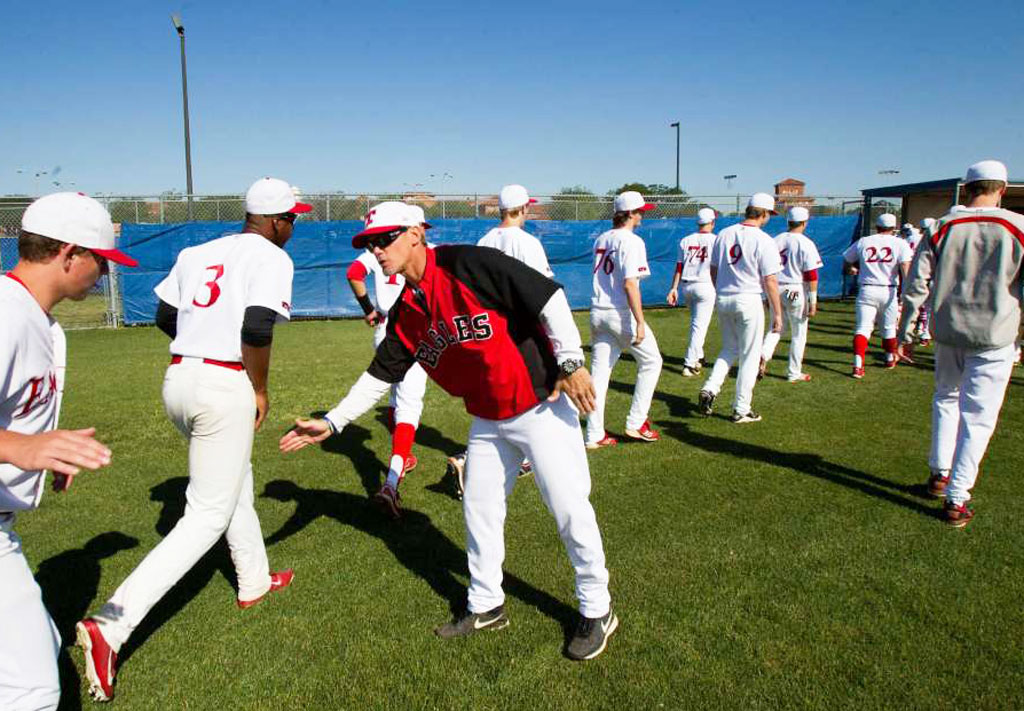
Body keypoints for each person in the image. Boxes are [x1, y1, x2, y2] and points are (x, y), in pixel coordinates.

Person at [279, 201, 617, 661]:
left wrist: (571, 361)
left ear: (416, 233)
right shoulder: (408, 309)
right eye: (370, 243)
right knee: (479, 509)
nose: (377, 250)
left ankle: (598, 607)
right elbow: (382, 372)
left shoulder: (466, 264)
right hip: (487, 417)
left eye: (385, 238)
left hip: (541, 404)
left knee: (568, 507)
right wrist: (334, 420)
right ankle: (486, 603)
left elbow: (547, 295)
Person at [77, 177, 308, 701]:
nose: (293, 225)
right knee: (205, 515)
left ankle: (253, 580)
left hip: (179, 378)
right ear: (273, 220)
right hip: (224, 382)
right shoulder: (270, 255)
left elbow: (164, 314)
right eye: (291, 217)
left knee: (232, 480)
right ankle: (110, 626)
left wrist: (197, 345)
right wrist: (260, 388)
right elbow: (256, 328)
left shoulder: (198, 249)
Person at [0, 192, 135, 711]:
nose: (102, 272)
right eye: (100, 260)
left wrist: (46, 451)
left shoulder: (32, 315)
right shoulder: (10, 314)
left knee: (40, 644)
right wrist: (25, 447)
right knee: (32, 689)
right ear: (69, 253)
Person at [896, 160, 1024, 527]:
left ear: (966, 189)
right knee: (978, 418)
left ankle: (940, 474)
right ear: (1002, 188)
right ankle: (957, 494)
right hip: (995, 334)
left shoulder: (941, 227)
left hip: (947, 331)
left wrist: (906, 334)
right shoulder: (1017, 227)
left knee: (946, 399)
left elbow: (915, 287)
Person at [447, 185, 551, 492]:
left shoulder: (483, 241)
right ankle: (470, 460)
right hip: (520, 331)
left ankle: (505, 460)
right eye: (527, 207)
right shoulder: (529, 242)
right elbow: (542, 292)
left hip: (488, 330)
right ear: (521, 209)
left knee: (500, 403)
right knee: (527, 399)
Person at [346, 206, 430, 517]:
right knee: (409, 403)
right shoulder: (420, 251)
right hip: (411, 328)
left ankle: (402, 457)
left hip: (385, 329)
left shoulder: (380, 248)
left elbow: (353, 273)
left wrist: (368, 307)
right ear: (415, 229)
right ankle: (391, 482)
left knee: (397, 395)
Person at [585, 191, 663, 448]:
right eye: (640, 211)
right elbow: (630, 284)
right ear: (629, 214)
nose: (643, 215)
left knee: (599, 374)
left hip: (598, 310)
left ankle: (594, 434)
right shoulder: (632, 241)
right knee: (652, 361)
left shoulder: (602, 238)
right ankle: (636, 422)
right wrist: (640, 321)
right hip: (620, 312)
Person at [698, 193, 783, 423]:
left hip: (725, 297)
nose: (768, 218)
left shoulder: (724, 233)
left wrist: (721, 291)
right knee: (750, 356)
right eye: (768, 214)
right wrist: (777, 312)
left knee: (729, 349)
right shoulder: (764, 239)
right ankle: (741, 409)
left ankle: (710, 388)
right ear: (763, 213)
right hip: (749, 298)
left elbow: (713, 270)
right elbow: (771, 280)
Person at [842, 213, 913, 378]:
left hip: (867, 288)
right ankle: (889, 358)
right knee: (888, 328)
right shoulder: (900, 243)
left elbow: (846, 259)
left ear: (878, 225)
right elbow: (905, 269)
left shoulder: (864, 241)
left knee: (863, 328)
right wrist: (907, 291)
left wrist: (851, 269)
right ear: (894, 227)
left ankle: (858, 365)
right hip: (889, 289)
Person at [759, 206, 823, 383]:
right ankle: (793, 372)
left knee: (776, 326)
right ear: (804, 223)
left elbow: (764, 270)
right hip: (795, 289)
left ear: (788, 221)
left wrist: (765, 295)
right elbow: (811, 275)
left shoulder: (775, 240)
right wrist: (813, 301)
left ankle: (763, 354)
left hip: (775, 287)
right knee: (799, 333)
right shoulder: (805, 243)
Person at [666, 207, 717, 377]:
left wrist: (674, 288)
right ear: (712, 222)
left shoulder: (685, 240)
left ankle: (699, 357)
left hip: (687, 286)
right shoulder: (717, 241)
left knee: (697, 324)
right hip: (706, 285)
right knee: (699, 327)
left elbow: (679, 267)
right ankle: (689, 364)